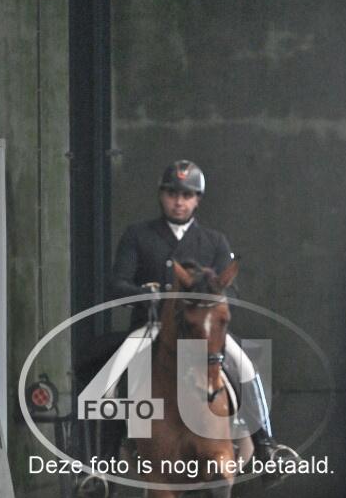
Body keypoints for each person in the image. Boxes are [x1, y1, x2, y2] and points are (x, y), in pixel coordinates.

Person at [110, 159, 294, 462]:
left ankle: (267, 445)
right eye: (172, 194)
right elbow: (118, 284)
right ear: (161, 196)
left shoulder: (214, 241)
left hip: (202, 331)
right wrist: (148, 295)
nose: (178, 202)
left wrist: (210, 299)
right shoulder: (138, 235)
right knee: (114, 374)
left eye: (186, 195)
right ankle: (102, 460)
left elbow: (232, 290)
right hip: (152, 325)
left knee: (246, 367)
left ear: (197, 200)